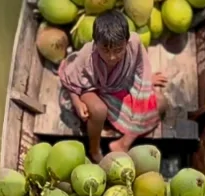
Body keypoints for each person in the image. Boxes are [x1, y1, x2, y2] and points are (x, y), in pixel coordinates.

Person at [58, 10, 168, 162]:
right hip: (91, 88)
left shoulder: (134, 44)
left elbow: (140, 65)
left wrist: (147, 79)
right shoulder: (86, 55)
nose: (112, 57)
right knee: (98, 110)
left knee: (160, 102)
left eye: (118, 50)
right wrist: (77, 102)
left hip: (119, 87)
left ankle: (123, 144)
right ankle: (94, 149)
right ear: (96, 43)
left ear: (126, 42)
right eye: (105, 50)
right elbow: (72, 81)